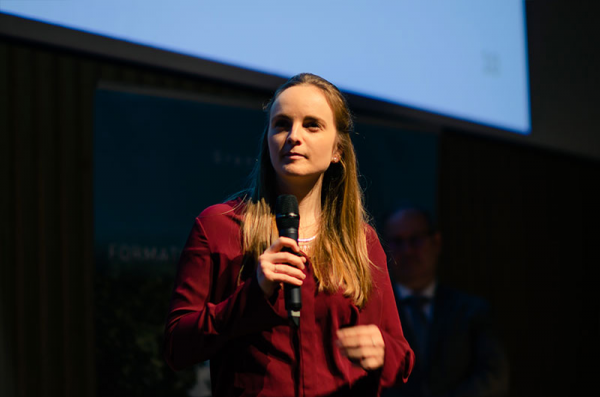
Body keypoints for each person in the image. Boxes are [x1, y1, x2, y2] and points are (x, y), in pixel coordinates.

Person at [163, 73, 414, 396]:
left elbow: (400, 357)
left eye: (312, 125)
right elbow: (177, 348)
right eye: (281, 124)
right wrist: (253, 294)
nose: (294, 136)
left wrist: (383, 353)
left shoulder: (361, 242)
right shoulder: (218, 227)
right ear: (267, 138)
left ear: (337, 149)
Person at [382, 206, 509, 397]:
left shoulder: (472, 310)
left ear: (436, 243)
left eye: (415, 240)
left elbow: (494, 377)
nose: (407, 250)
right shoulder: (373, 313)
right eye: (398, 242)